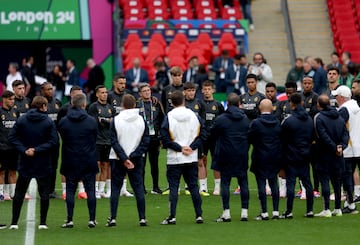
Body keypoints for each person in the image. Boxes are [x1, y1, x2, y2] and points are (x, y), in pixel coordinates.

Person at [8, 96, 59, 230]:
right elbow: (54, 142)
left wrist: (24, 150)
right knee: (44, 193)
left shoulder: (22, 119)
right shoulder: (48, 121)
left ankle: (14, 222)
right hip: (42, 162)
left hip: (25, 161)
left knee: (19, 192)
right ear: (43, 106)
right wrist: (36, 150)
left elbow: (12, 137)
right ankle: (43, 222)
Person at [160, 91, 205, 225]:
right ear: (184, 101)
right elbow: (203, 134)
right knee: (193, 187)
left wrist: (180, 148)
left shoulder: (169, 116)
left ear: (172, 103)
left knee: (174, 188)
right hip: (190, 156)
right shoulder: (193, 115)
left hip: (174, 158)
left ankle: (172, 216)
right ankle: (199, 215)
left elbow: (165, 138)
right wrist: (191, 147)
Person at [107, 94, 150, 227]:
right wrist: (133, 156)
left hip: (118, 158)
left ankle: (113, 217)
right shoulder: (142, 120)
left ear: (122, 105)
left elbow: (113, 140)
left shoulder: (116, 120)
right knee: (138, 188)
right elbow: (146, 140)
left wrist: (124, 157)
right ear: (135, 104)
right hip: (136, 159)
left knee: (115, 188)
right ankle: (142, 218)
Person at [58, 93, 99, 228]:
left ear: (72, 104)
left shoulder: (64, 121)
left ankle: (69, 219)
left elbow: (63, 137)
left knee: (70, 190)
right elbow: (94, 138)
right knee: (90, 189)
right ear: (83, 104)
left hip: (70, 159)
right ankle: (92, 219)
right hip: (88, 158)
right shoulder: (91, 121)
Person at [211, 93, 250, 222]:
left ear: (227, 104)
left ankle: (226, 213)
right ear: (239, 104)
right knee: (243, 183)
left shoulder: (221, 119)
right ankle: (244, 212)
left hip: (225, 154)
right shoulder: (245, 119)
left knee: (225, 183)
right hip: (241, 154)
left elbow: (213, 133)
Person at [314, 94, 349, 217]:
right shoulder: (339, 117)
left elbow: (323, 136)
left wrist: (334, 147)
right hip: (338, 154)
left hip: (324, 153)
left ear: (319, 105)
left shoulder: (319, 118)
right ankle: (338, 208)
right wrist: (341, 147)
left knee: (324, 180)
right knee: (337, 181)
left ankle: (326, 209)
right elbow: (346, 134)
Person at [280, 93, 314, 219]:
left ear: (291, 104)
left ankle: (289, 211)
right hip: (305, 155)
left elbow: (282, 140)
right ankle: (310, 210)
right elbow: (311, 137)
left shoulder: (288, 121)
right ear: (302, 103)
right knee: (307, 183)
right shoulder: (310, 120)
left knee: (291, 184)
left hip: (291, 156)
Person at [249, 99, 282, 220]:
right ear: (272, 108)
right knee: (274, 183)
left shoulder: (256, 123)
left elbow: (250, 137)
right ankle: (276, 211)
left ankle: (264, 212)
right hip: (274, 156)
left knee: (261, 184)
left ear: (259, 108)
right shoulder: (278, 122)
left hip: (260, 155)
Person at [332, 86, 360, 214]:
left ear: (342, 97)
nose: (335, 99)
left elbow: (338, 127)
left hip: (349, 148)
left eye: (336, 96)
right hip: (358, 146)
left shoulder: (344, 109)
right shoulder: (357, 106)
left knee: (347, 177)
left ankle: (350, 204)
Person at [56, 86, 87, 200]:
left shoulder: (84, 108)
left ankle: (82, 190)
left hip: (82, 142)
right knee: (66, 166)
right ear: (71, 95)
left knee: (82, 165)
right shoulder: (64, 109)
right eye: (78, 94)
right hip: (68, 142)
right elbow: (59, 125)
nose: (80, 97)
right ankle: (65, 191)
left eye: (81, 94)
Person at [106, 73, 133, 196]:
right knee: (112, 162)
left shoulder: (128, 95)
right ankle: (110, 188)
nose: (123, 86)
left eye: (124, 83)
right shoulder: (109, 96)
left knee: (126, 158)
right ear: (114, 83)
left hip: (126, 133)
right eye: (120, 83)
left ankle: (123, 188)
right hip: (112, 133)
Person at [136, 83, 165, 194]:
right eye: (144, 91)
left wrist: (161, 137)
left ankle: (155, 187)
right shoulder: (137, 105)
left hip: (154, 139)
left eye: (148, 90)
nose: (147, 92)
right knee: (141, 165)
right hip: (141, 139)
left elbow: (163, 120)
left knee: (155, 164)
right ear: (140, 93)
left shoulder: (156, 103)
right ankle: (141, 188)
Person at [88, 85, 115, 199]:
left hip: (108, 140)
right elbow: (94, 122)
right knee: (96, 165)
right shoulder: (93, 107)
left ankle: (101, 189)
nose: (105, 94)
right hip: (97, 140)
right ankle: (94, 189)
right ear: (97, 94)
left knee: (106, 165)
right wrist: (107, 121)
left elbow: (113, 122)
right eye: (102, 92)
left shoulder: (110, 107)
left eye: (106, 92)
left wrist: (104, 120)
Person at [201, 81, 224, 195]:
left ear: (213, 90)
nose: (207, 91)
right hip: (203, 137)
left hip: (215, 138)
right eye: (205, 89)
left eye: (209, 89)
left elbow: (222, 121)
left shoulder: (218, 104)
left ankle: (217, 187)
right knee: (202, 160)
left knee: (216, 162)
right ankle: (203, 187)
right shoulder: (199, 104)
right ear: (202, 90)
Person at [183, 82, 207, 196]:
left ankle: (202, 188)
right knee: (186, 162)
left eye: (193, 90)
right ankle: (188, 186)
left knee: (200, 161)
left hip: (196, 138)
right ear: (184, 92)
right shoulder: (182, 104)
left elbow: (203, 120)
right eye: (189, 90)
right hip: (184, 137)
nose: (191, 93)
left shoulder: (199, 103)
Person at [40, 82, 62, 199]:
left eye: (51, 89)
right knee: (44, 166)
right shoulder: (39, 104)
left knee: (54, 166)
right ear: (42, 91)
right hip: (43, 141)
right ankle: (43, 190)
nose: (50, 91)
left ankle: (52, 190)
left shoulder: (57, 102)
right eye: (47, 89)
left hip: (55, 141)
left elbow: (60, 122)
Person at [0, 91, 18, 201]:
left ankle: (13, 193)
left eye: (13, 99)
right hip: (2, 148)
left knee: (13, 171)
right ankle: (1, 193)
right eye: (10, 99)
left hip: (13, 148)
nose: (12, 101)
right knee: (1, 171)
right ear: (4, 99)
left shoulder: (15, 112)